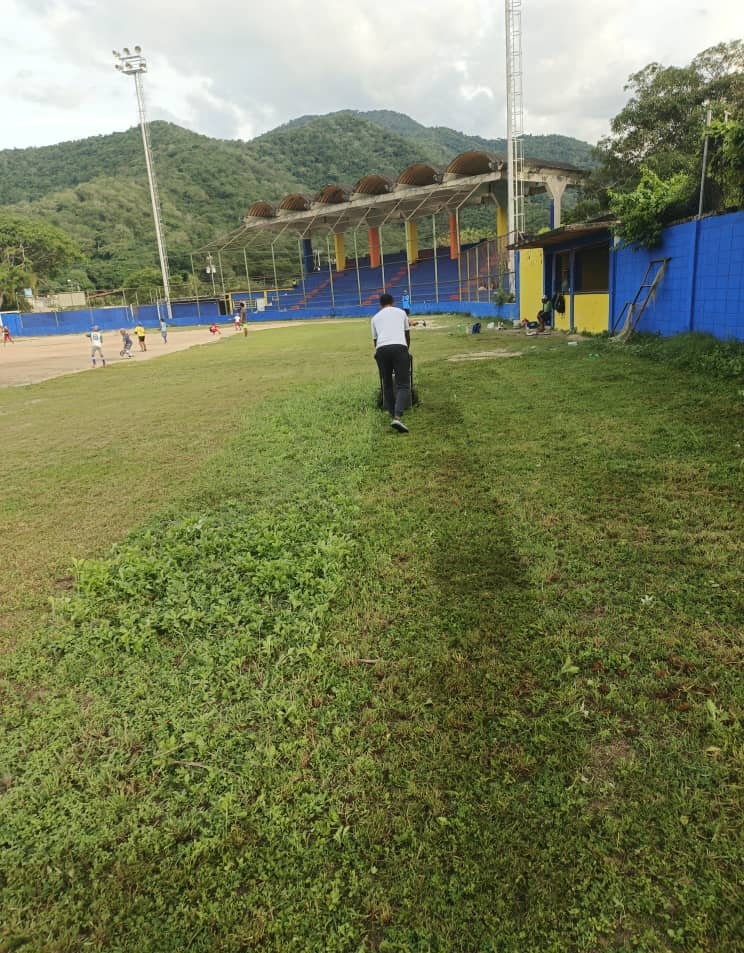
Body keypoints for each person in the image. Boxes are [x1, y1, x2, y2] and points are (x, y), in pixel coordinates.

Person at [371, 292, 411, 434]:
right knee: (403, 385)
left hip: (381, 349)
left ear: (380, 305)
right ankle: (397, 417)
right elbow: (407, 334)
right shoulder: (401, 313)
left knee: (387, 384)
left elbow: (375, 341)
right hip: (399, 347)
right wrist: (406, 351)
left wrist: (379, 354)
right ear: (393, 302)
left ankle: (392, 415)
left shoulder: (375, 318)